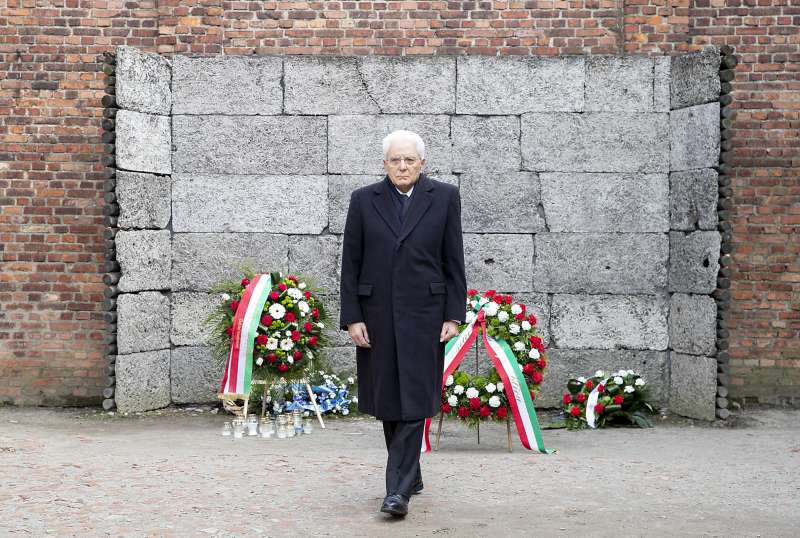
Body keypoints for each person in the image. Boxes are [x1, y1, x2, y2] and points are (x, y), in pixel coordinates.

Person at [339, 129, 467, 517]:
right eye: (395, 160)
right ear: (385, 164)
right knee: (389, 403)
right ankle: (411, 474)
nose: (402, 166)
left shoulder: (444, 197)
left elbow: (453, 260)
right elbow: (351, 263)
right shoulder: (364, 201)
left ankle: (397, 491)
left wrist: (453, 314)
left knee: (414, 400)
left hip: (426, 316)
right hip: (376, 316)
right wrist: (352, 317)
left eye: (409, 160)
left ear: (422, 163)